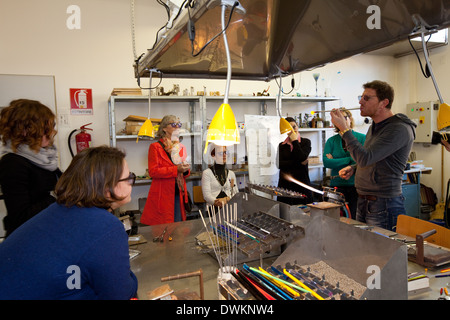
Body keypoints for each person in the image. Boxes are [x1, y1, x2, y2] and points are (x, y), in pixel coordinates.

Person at [0, 146, 138, 299]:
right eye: (128, 178)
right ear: (107, 188)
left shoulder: (59, 209)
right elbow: (120, 293)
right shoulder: (106, 227)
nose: (132, 182)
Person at [330, 80, 416, 231]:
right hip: (364, 201)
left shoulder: (398, 129)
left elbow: (366, 158)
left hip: (383, 204)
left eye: (367, 98)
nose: (360, 102)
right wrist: (355, 168)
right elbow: (375, 157)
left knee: (382, 253)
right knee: (365, 250)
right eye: (361, 97)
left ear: (384, 103)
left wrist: (344, 129)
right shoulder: (375, 127)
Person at [0, 99, 62, 237]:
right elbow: (20, 217)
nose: (52, 132)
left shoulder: (45, 157)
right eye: (45, 128)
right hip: (27, 238)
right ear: (24, 130)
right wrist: (56, 195)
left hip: (47, 231)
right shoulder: (12, 163)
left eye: (51, 126)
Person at [141, 115, 190, 225]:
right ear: (164, 128)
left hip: (178, 192)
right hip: (163, 195)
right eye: (173, 124)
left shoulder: (180, 147)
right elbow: (153, 172)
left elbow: (184, 172)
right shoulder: (155, 147)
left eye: (179, 124)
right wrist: (176, 170)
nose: (177, 127)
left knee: (178, 227)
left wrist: (185, 170)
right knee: (165, 228)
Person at [323, 108, 366, 219]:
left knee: (355, 218)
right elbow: (326, 162)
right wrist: (349, 159)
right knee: (336, 218)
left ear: (350, 119)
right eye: (338, 118)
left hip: (355, 186)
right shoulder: (331, 141)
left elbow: (362, 160)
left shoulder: (362, 138)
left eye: (344, 117)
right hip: (337, 187)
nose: (341, 121)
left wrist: (335, 160)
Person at [276, 117, 313, 205]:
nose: (293, 130)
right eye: (290, 128)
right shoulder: (282, 145)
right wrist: (299, 163)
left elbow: (301, 157)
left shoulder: (306, 142)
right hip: (285, 186)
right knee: (284, 214)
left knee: (304, 214)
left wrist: (295, 141)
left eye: (294, 127)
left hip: (301, 185)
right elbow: (279, 164)